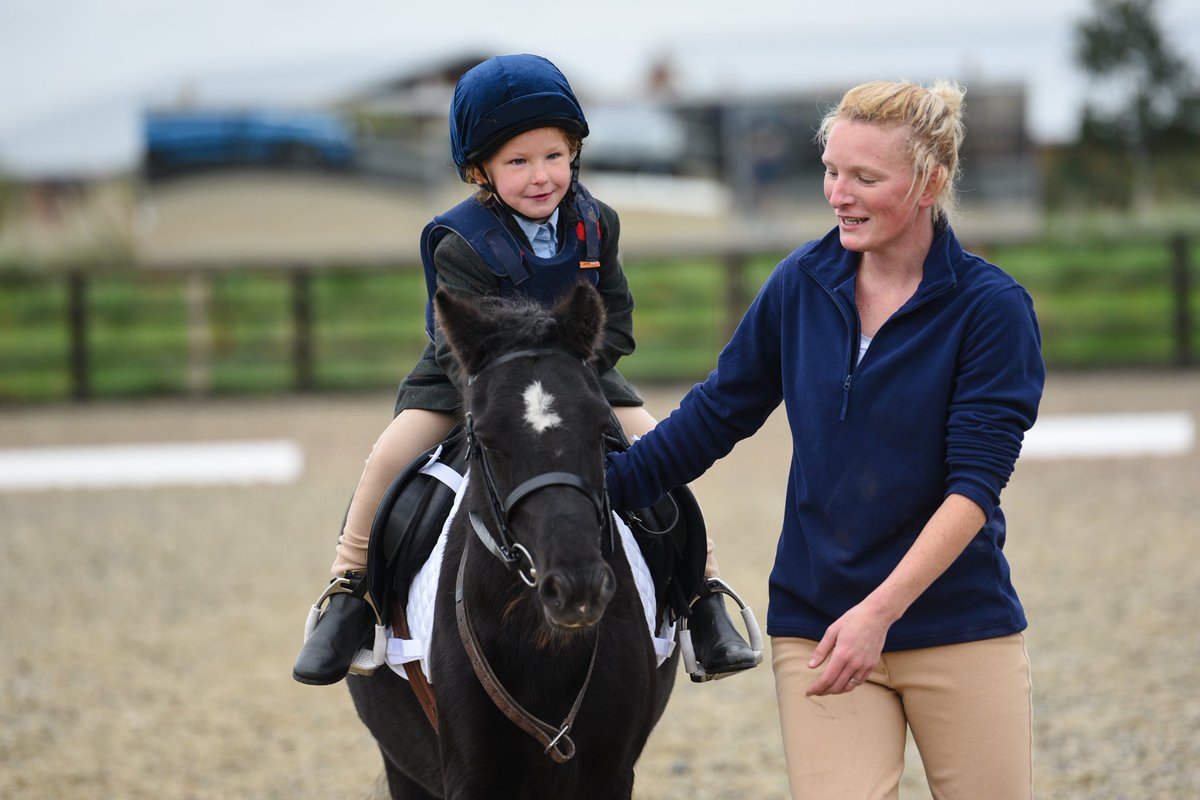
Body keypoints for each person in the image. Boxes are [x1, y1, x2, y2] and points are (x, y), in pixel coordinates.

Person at [604, 79, 1045, 799]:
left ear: (931, 181)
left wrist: (881, 610)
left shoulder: (992, 312)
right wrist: (603, 492)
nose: (839, 193)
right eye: (832, 171)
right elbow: (718, 413)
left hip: (960, 624)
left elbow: (975, 488)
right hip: (819, 625)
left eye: (866, 177)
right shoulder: (800, 285)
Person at [293, 54, 758, 687]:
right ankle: (348, 595)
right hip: (468, 381)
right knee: (387, 459)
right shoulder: (456, 240)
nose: (541, 177)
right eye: (517, 162)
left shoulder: (598, 223)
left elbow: (615, 316)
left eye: (554, 157)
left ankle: (703, 599)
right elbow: (456, 340)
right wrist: (517, 384)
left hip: (582, 377)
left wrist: (575, 374)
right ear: (479, 170)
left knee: (659, 449)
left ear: (574, 155)